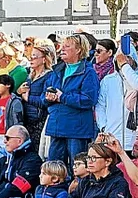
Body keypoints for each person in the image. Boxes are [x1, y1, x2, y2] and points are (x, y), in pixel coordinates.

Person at [42, 35, 100, 165]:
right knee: (54, 169)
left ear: (79, 49)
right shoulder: (56, 70)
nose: (62, 49)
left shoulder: (88, 72)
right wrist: (47, 98)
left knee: (78, 168)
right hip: (56, 126)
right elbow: (43, 94)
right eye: (62, 46)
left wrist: (62, 97)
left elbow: (89, 99)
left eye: (67, 46)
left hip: (77, 130)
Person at [94, 40, 134, 153]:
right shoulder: (108, 80)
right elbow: (100, 105)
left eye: (128, 59)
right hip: (111, 136)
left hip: (131, 139)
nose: (124, 62)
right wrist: (103, 126)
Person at [17, 41, 56, 150]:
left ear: (44, 59)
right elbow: (22, 93)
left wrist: (28, 98)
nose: (30, 59)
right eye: (30, 56)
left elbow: (45, 100)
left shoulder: (49, 76)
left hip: (39, 121)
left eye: (34, 57)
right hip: (26, 119)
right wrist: (19, 92)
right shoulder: (30, 75)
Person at [0, 74, 24, 168]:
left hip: (6, 137)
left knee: (9, 163)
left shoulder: (14, 102)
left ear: (8, 85)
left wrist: (14, 136)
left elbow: (18, 121)